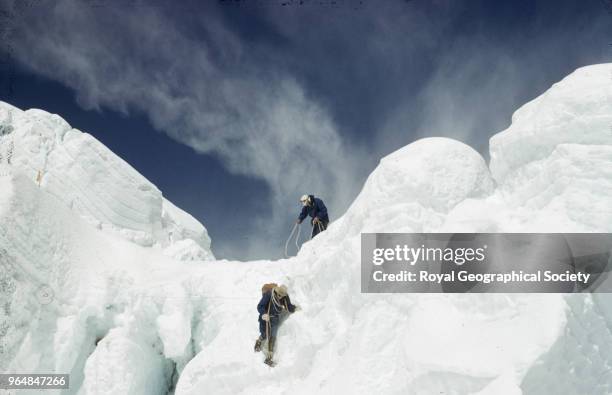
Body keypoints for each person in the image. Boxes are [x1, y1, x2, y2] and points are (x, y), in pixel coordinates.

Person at [254, 284, 299, 366]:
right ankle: (259, 341)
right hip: (265, 317)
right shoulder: (269, 294)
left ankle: (269, 357)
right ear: (276, 291)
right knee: (264, 333)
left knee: (273, 336)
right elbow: (260, 306)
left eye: (282, 296)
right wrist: (264, 314)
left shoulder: (285, 297)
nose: (280, 297)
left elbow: (288, 306)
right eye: (279, 295)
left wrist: (294, 308)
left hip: (275, 318)